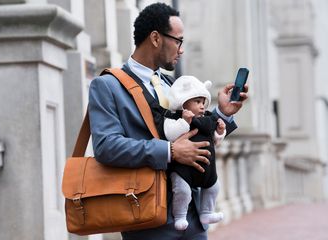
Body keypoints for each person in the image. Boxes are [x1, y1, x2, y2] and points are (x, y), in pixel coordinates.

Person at [88, 2, 248, 240]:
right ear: (155, 38)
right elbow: (106, 146)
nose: (181, 49)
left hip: (192, 216)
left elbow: (194, 133)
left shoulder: (174, 85)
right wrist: (170, 151)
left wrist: (223, 113)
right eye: (178, 40)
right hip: (146, 218)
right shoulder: (108, 86)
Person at [162, 76, 226, 231]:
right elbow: (169, 134)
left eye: (203, 102)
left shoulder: (209, 119)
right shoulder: (175, 117)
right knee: (182, 191)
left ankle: (206, 212)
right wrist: (184, 122)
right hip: (183, 169)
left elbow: (215, 141)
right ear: (184, 102)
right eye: (197, 102)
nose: (202, 106)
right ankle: (180, 216)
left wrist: (220, 132)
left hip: (206, 169)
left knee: (214, 188)